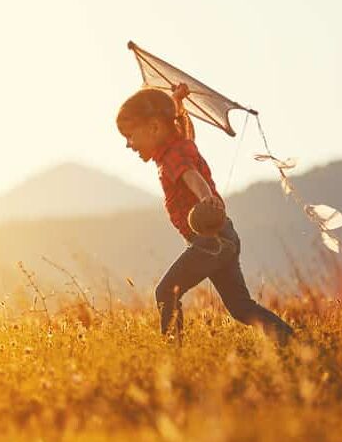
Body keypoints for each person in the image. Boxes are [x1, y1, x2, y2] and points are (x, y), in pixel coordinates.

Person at [115, 83, 294, 345]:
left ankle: (173, 353)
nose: (129, 145)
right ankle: (292, 342)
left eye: (130, 135)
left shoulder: (173, 156)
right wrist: (176, 102)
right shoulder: (180, 144)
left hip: (211, 241)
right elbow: (182, 129)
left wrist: (206, 198)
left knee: (166, 292)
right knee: (241, 307)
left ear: (154, 128)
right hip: (225, 237)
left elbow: (193, 177)